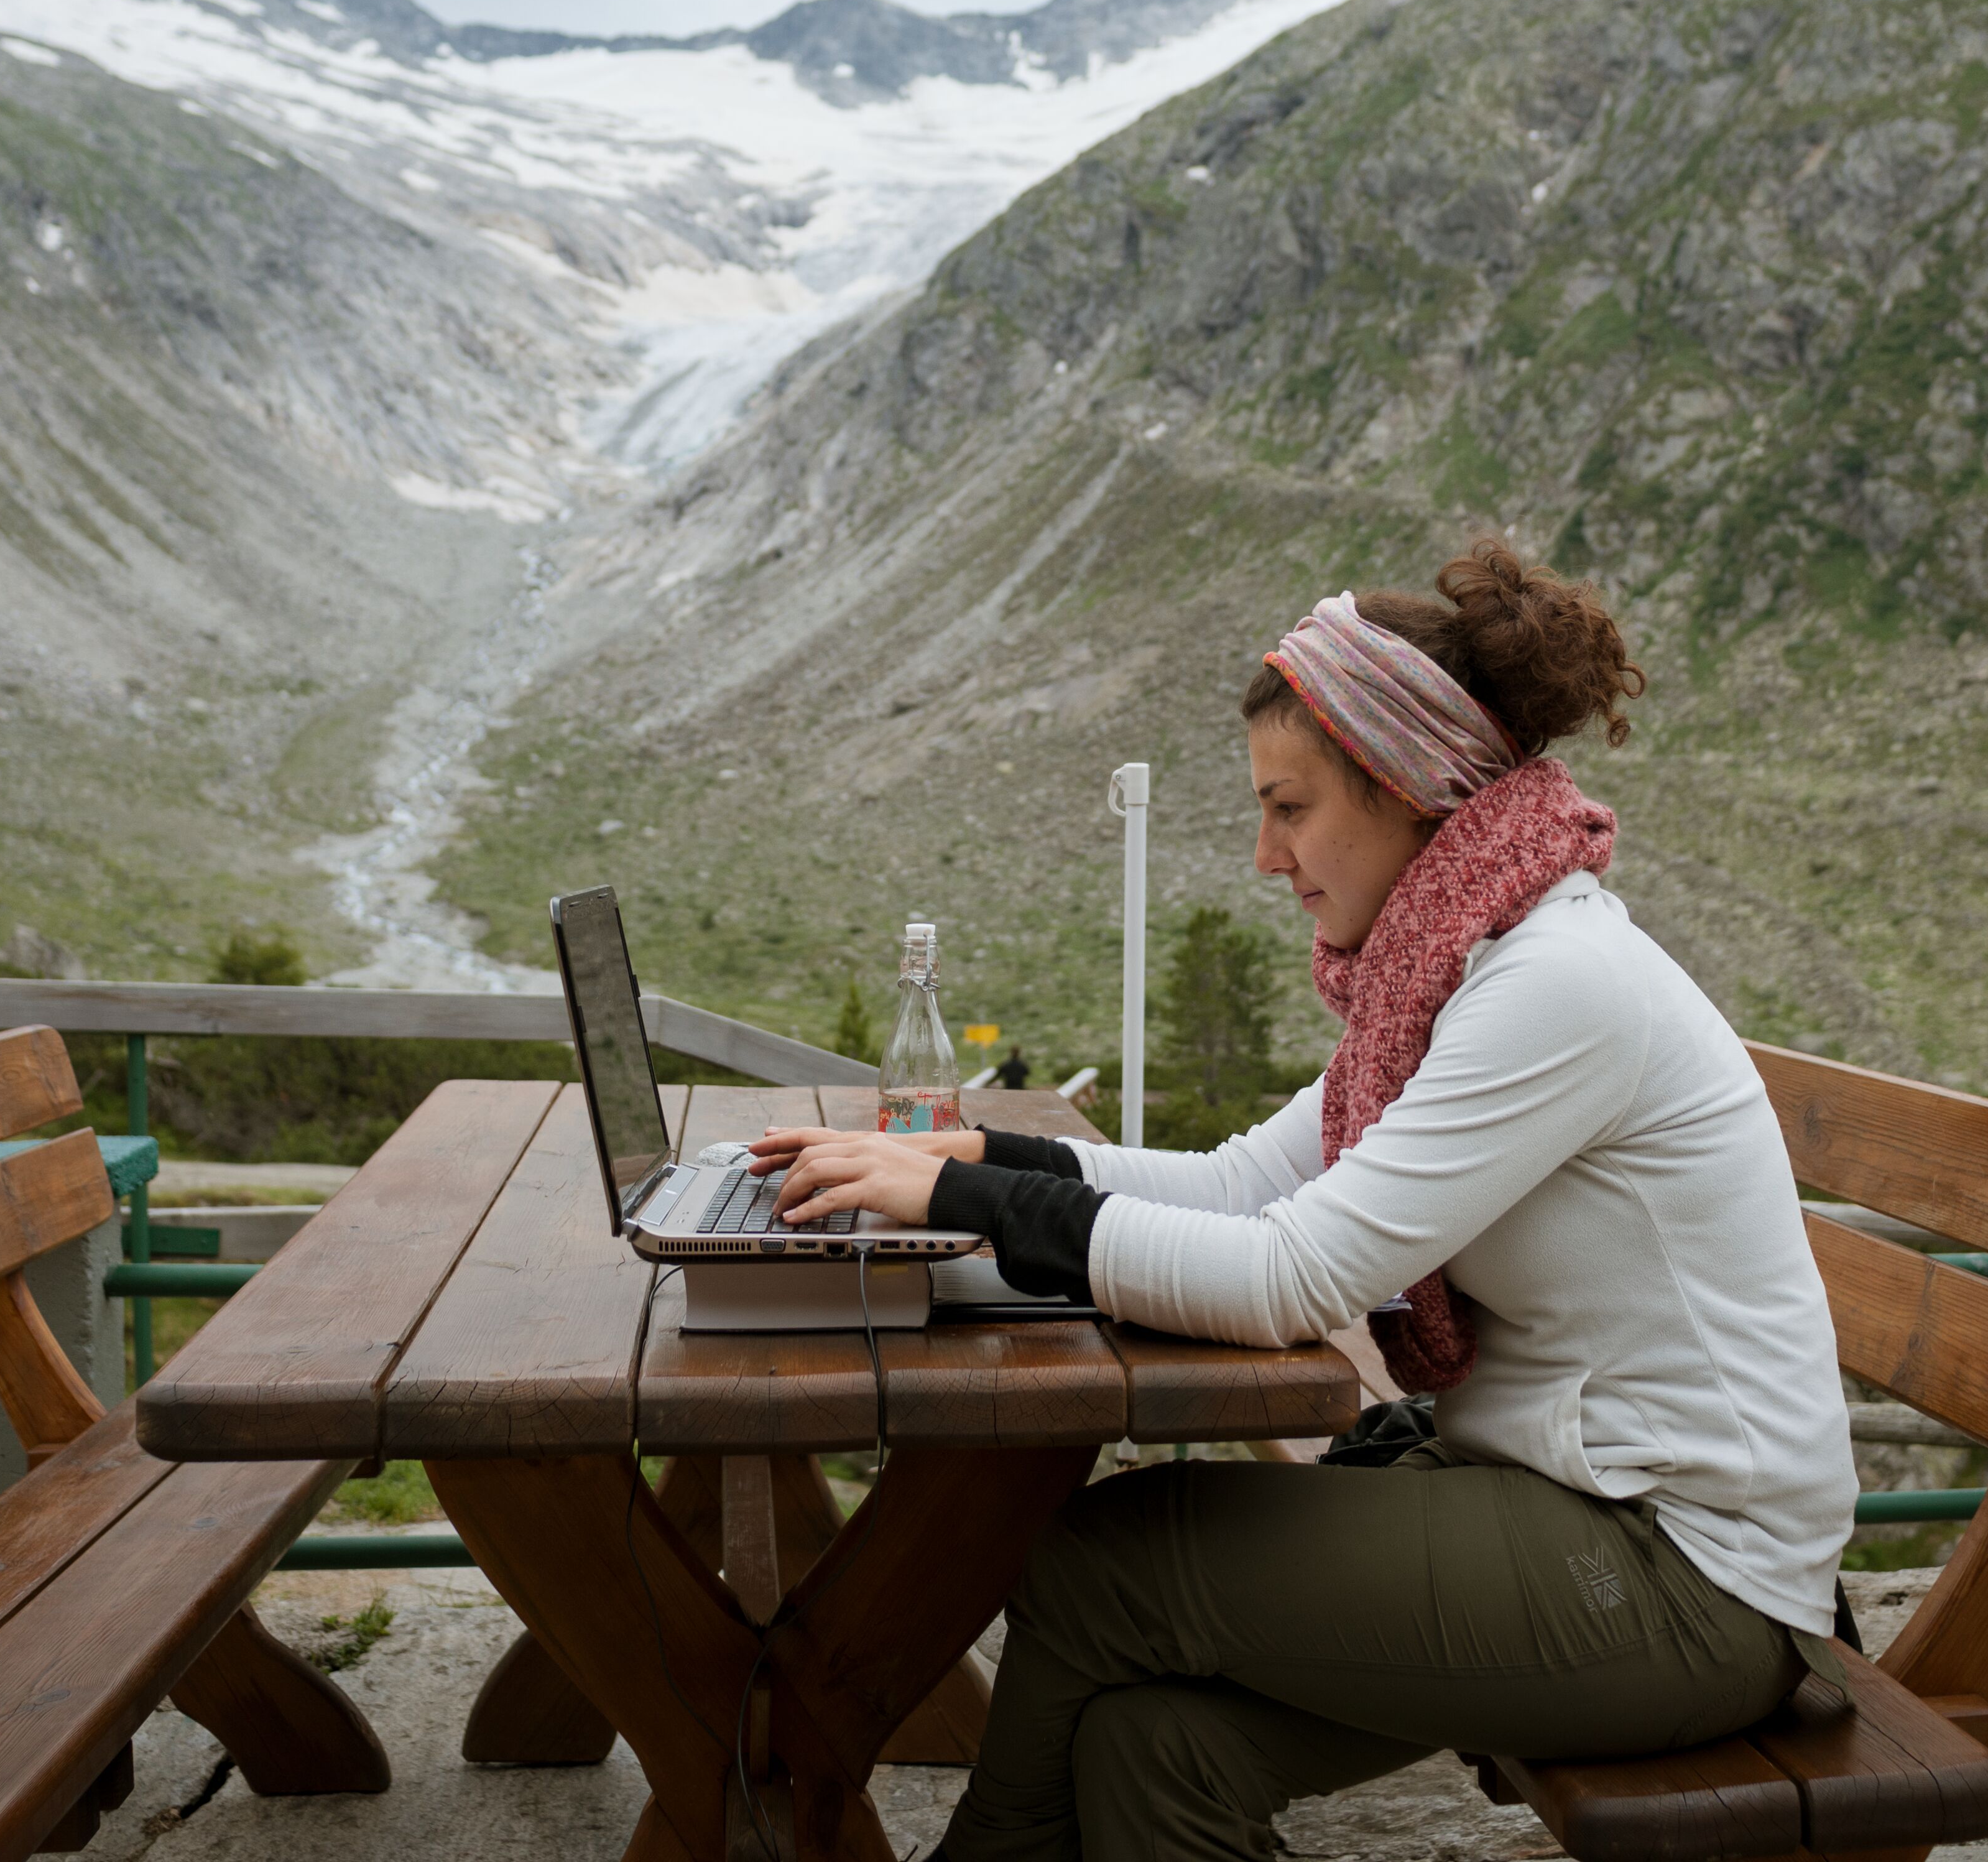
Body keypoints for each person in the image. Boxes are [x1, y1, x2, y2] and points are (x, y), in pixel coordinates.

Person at [745, 542, 1857, 1862]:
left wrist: (966, 1196)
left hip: (1688, 1578)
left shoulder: (1556, 985)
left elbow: (1289, 1274)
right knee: (1148, 1750)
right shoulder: (1446, 973)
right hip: (1562, 1506)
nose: (1266, 857)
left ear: (1408, 788)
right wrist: (967, 1169)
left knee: (1098, 1563)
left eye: (1290, 807)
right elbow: (1238, 1187)